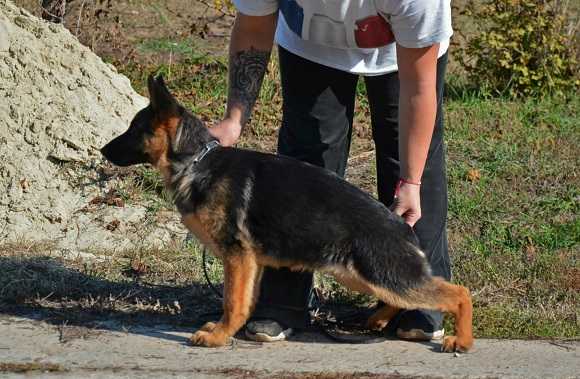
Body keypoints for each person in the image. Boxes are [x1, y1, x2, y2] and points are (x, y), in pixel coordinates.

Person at [209, 0, 453, 343]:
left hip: (402, 51)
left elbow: (419, 88)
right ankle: (283, 302)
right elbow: (253, 28)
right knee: (306, 164)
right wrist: (234, 120)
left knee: (412, 169)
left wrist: (411, 181)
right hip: (311, 46)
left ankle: (420, 304)